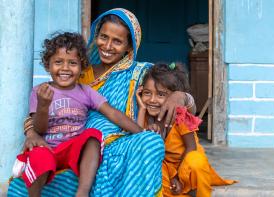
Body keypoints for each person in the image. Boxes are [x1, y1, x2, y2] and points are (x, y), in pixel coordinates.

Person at [8, 8, 194, 197]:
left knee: (151, 142)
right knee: (23, 185)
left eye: (117, 41)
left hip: (119, 147)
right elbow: (42, 111)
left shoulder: (141, 72)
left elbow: (183, 99)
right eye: (104, 37)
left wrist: (181, 96)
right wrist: (31, 132)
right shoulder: (76, 70)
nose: (107, 46)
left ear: (130, 47)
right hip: (75, 150)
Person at [13, 32, 143, 197]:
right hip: (46, 147)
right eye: (58, 62)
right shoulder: (40, 91)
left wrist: (140, 132)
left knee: (93, 136)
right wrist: (43, 106)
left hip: (72, 149)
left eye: (72, 63)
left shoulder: (86, 92)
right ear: (48, 65)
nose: (65, 68)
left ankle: (82, 192)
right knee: (38, 156)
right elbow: (38, 129)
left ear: (81, 66)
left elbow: (113, 113)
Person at [136, 63, 237, 197]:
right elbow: (137, 138)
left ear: (173, 98)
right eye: (147, 93)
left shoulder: (180, 116)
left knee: (196, 161)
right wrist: (142, 109)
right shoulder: (145, 117)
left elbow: (191, 147)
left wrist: (177, 177)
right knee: (153, 170)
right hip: (167, 170)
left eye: (161, 95)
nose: (152, 100)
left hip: (187, 167)